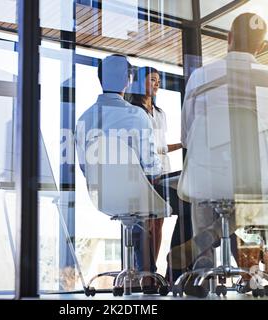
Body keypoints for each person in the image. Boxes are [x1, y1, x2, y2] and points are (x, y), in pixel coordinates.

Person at [171, 12, 268, 294]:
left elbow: (187, 139)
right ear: (260, 46)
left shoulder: (199, 77)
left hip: (205, 181)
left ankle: (204, 261)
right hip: (253, 182)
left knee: (203, 187)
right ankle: (264, 262)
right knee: (264, 188)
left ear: (229, 39)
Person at [75, 55, 163, 290]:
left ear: (100, 78)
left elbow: (84, 166)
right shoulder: (137, 116)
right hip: (135, 194)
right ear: (128, 80)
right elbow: (151, 165)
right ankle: (148, 274)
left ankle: (142, 273)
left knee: (141, 200)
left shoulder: (84, 118)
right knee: (155, 198)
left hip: (101, 196)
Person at [126, 66, 192, 283]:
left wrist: (184, 143)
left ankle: (156, 273)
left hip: (162, 171)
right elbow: (139, 146)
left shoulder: (160, 113)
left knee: (160, 222)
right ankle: (147, 273)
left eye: (158, 81)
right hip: (144, 174)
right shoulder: (132, 111)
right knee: (147, 223)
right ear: (138, 83)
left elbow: (161, 146)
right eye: (152, 80)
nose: (157, 84)